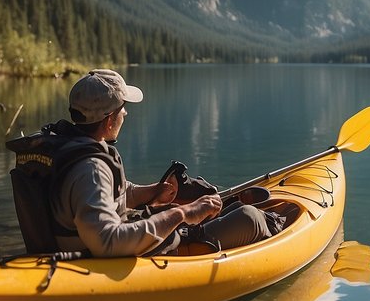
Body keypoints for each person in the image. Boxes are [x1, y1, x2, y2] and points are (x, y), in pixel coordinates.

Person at [50, 69, 277, 257]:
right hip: (133, 258)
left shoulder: (70, 149)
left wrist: (153, 192)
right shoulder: (91, 168)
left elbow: (107, 195)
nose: (126, 113)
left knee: (233, 208)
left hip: (130, 243)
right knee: (249, 217)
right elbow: (108, 241)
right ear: (109, 119)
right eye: (122, 108)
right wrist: (183, 213)